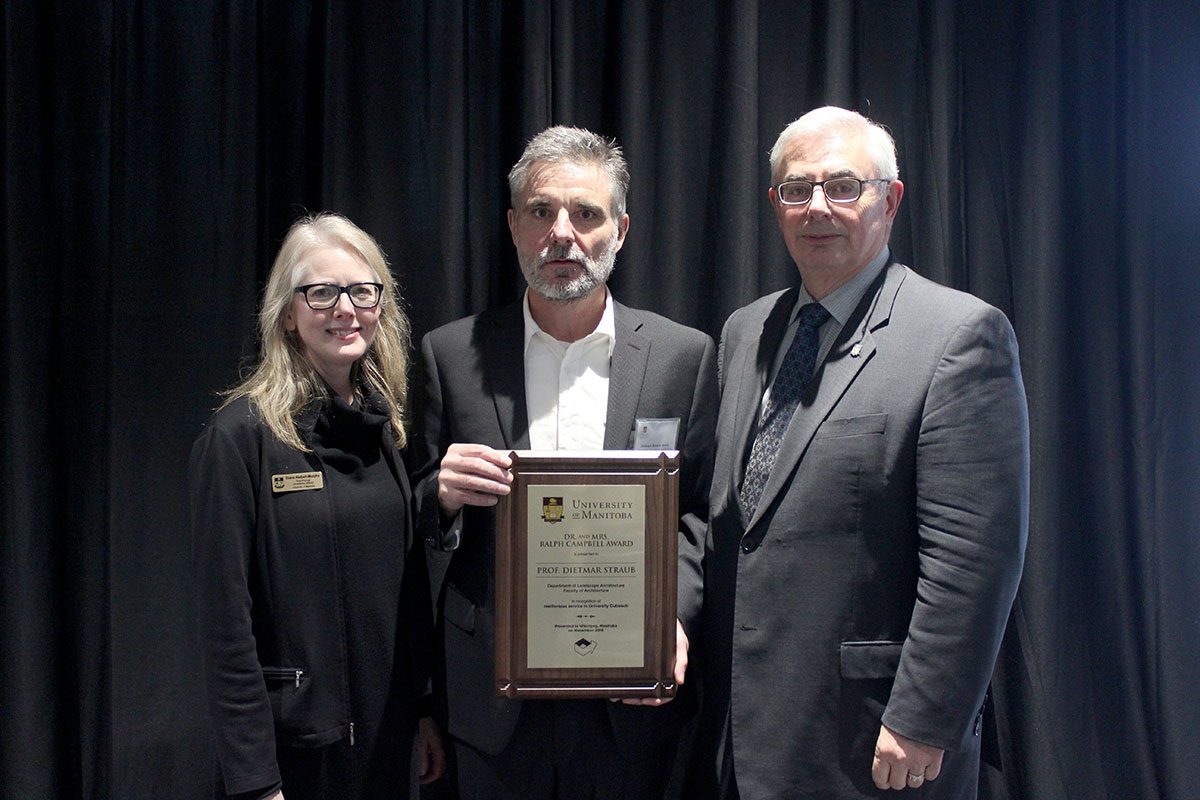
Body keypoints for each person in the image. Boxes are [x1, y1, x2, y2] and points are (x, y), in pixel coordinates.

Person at [694, 106, 1029, 799]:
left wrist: (926, 719)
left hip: (875, 741)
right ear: (776, 204)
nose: (817, 206)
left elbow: (974, 559)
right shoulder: (744, 332)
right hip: (742, 730)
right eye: (797, 188)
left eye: (843, 185)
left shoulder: (958, 336)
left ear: (891, 199)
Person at [411, 126, 717, 799]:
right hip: (492, 700)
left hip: (628, 699)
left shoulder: (682, 357)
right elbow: (407, 512)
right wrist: (441, 493)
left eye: (586, 214)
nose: (562, 234)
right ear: (514, 226)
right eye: (542, 213)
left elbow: (697, 511)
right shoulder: (451, 355)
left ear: (622, 229)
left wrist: (672, 613)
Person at [189, 213, 444, 800]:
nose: (345, 309)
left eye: (362, 290)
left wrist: (424, 707)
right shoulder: (240, 439)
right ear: (287, 314)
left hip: (392, 742)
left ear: (382, 306)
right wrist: (255, 782)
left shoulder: (387, 431)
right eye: (322, 293)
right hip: (298, 757)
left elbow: (403, 591)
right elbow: (225, 630)